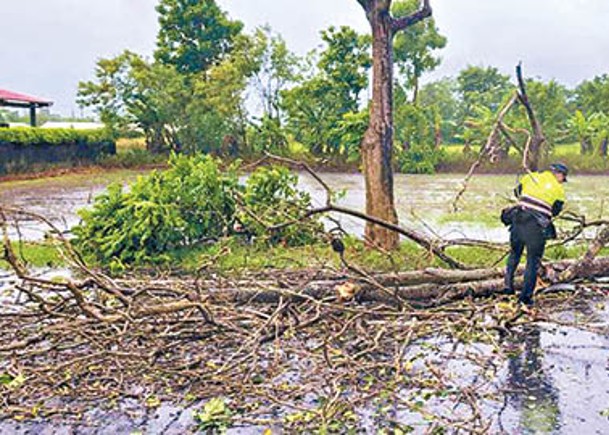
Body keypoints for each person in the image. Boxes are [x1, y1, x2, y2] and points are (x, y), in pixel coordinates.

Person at [502, 163, 568, 306]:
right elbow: (555, 211)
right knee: (532, 261)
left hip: (518, 218)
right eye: (563, 178)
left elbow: (517, 192)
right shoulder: (559, 190)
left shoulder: (530, 177)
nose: (563, 181)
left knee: (514, 253)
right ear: (559, 175)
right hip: (536, 226)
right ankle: (525, 298)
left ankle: (507, 287)